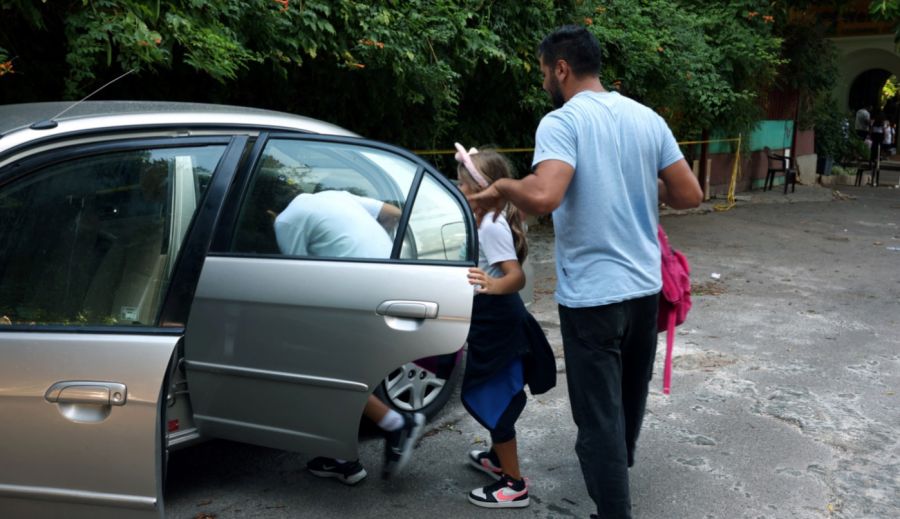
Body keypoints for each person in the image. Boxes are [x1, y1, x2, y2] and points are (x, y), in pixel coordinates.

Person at [467, 25, 702, 518]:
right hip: (644, 292)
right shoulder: (647, 117)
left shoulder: (562, 122)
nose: (543, 84)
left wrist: (504, 186)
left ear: (561, 68)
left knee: (597, 418)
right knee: (626, 399)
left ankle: (613, 508)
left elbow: (545, 196)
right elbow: (689, 195)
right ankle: (618, 463)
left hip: (594, 298)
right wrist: (636, 187)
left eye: (543, 74)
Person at [269, 184, 425, 483]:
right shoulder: (336, 196)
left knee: (317, 367)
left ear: (269, 212)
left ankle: (394, 424)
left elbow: (293, 278)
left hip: (358, 291)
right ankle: (342, 457)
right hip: (389, 282)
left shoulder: (285, 220)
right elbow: (393, 213)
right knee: (339, 369)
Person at [453, 144, 556, 509]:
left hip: (499, 322)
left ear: (485, 189)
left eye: (464, 184)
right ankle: (498, 461)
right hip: (490, 320)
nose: (459, 189)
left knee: (496, 395)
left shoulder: (492, 226)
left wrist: (493, 285)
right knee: (491, 389)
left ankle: (514, 485)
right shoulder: (481, 220)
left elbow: (513, 277)